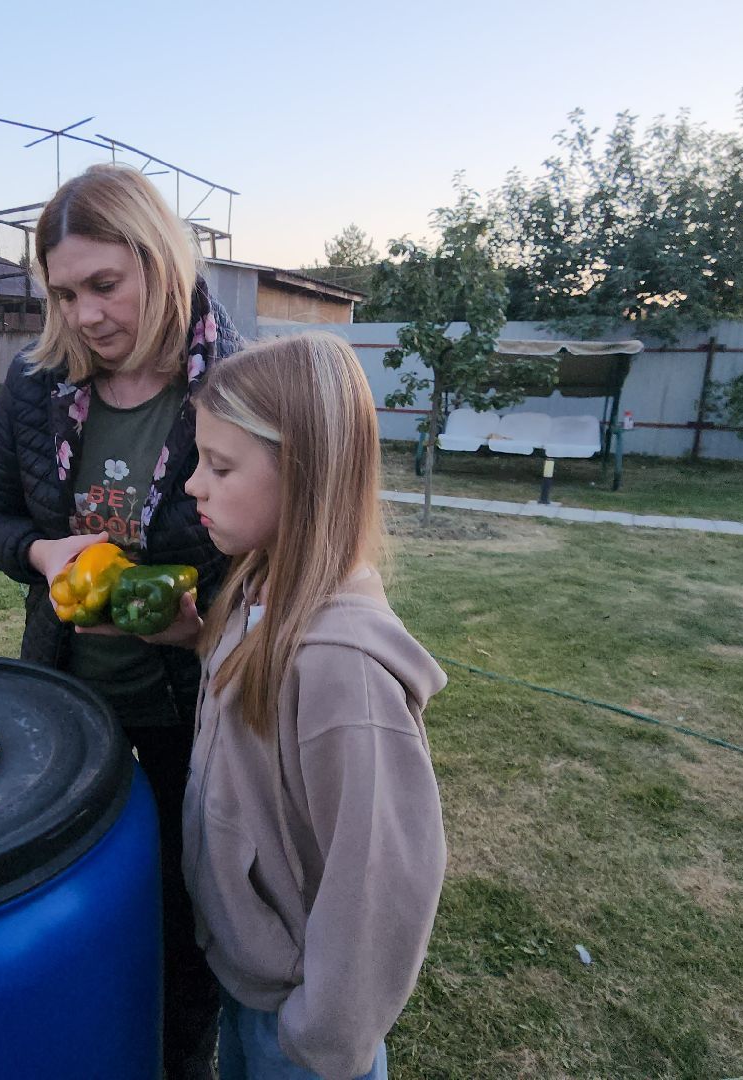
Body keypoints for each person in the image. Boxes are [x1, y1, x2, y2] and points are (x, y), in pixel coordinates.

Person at [0, 163, 243, 1080]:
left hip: (190, 708)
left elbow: (282, 565)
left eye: (105, 285)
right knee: (68, 902)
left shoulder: (237, 384)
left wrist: (204, 633)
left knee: (184, 911)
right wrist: (43, 555)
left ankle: (178, 1064)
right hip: (68, 701)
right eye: (64, 292)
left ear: (159, 261)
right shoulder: (36, 384)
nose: (84, 314)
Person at [179, 332, 448, 1080]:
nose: (193, 486)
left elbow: (382, 878)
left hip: (300, 1030)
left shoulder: (344, 672)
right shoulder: (260, 591)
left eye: (220, 466)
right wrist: (199, 638)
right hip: (251, 978)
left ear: (302, 475)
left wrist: (321, 1037)